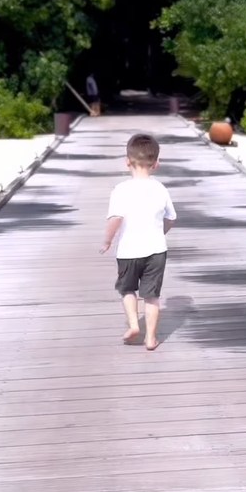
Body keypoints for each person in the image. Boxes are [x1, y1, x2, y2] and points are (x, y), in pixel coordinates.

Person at [100, 133, 176, 351]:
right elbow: (172, 218)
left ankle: (134, 325)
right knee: (152, 296)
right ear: (156, 164)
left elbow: (115, 219)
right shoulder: (160, 188)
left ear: (127, 161)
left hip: (128, 251)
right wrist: (161, 232)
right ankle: (150, 338)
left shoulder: (121, 189)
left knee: (127, 290)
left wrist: (107, 241)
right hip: (156, 250)